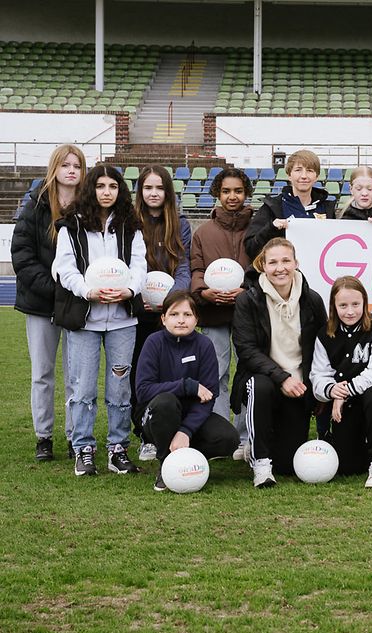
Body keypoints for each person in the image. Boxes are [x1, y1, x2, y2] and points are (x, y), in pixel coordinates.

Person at [52, 165, 147, 477]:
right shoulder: (71, 226)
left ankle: (117, 449)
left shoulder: (131, 227)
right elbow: (63, 268)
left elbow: (139, 266)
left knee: (120, 389)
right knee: (82, 387)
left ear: (120, 191)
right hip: (85, 319)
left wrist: (129, 289)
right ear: (90, 189)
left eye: (114, 186)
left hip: (122, 320)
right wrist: (87, 291)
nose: (107, 192)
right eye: (101, 186)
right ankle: (83, 449)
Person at [231, 237, 327, 488]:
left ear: (296, 263)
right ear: (263, 265)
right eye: (272, 262)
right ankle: (260, 462)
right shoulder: (247, 300)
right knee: (260, 387)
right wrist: (281, 377)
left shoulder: (312, 300)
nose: (280, 268)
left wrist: (315, 387)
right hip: (263, 377)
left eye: (286, 260)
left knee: (286, 464)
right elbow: (246, 350)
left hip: (299, 384)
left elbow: (323, 346)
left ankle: (264, 445)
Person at [12, 143, 85, 461]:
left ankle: (74, 435)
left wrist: (76, 289)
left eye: (78, 166)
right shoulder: (35, 204)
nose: (71, 170)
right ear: (54, 168)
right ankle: (44, 438)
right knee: (42, 373)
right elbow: (22, 255)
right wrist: (53, 290)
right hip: (40, 304)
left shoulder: (88, 208)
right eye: (66, 164)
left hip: (76, 304)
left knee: (75, 375)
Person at [135, 291, 240, 491]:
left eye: (187, 315)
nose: (181, 320)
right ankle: (167, 466)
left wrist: (185, 431)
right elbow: (143, 391)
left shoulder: (204, 345)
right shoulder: (153, 343)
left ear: (196, 319)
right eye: (174, 315)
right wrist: (186, 386)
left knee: (228, 438)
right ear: (163, 318)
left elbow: (208, 396)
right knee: (165, 402)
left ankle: (188, 457)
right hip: (157, 414)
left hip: (191, 415)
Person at [190, 167, 255, 461]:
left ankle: (245, 437)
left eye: (238, 191)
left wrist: (248, 290)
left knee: (247, 372)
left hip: (248, 312)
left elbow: (263, 267)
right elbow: (196, 268)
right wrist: (203, 291)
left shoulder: (257, 228)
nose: (232, 197)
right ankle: (219, 436)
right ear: (217, 193)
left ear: (246, 193)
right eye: (226, 191)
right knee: (215, 373)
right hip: (213, 313)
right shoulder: (204, 232)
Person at [311, 276, 372, 488]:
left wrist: (345, 391)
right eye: (343, 305)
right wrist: (332, 391)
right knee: (348, 467)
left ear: (365, 303)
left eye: (356, 304)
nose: (350, 311)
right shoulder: (325, 335)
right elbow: (317, 376)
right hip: (347, 404)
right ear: (333, 306)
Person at [132, 165, 192, 461]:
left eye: (159, 188)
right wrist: (137, 294)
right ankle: (144, 433)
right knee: (140, 374)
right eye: (148, 188)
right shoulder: (129, 222)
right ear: (140, 192)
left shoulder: (179, 224)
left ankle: (171, 431)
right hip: (138, 311)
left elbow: (183, 266)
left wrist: (170, 303)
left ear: (168, 192)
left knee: (172, 373)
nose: (154, 193)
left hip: (168, 314)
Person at [244, 149, 335, 259]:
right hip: (283, 273)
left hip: (317, 271)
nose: (304, 176)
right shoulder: (272, 207)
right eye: (298, 170)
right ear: (289, 175)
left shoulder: (327, 209)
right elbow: (250, 248)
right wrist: (271, 228)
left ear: (316, 176)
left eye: (310, 170)